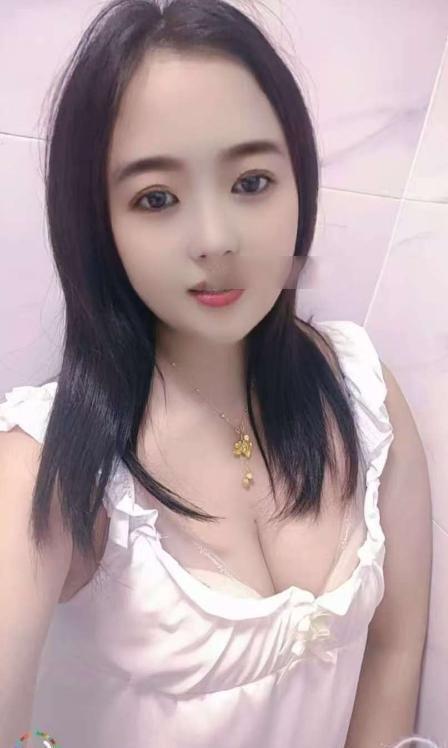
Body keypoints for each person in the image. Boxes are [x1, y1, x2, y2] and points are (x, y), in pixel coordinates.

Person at [0, 1, 432, 747]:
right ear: (98, 223)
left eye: (252, 182)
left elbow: (393, 653)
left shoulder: (365, 397)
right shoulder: (47, 466)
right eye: (156, 198)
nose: (215, 239)